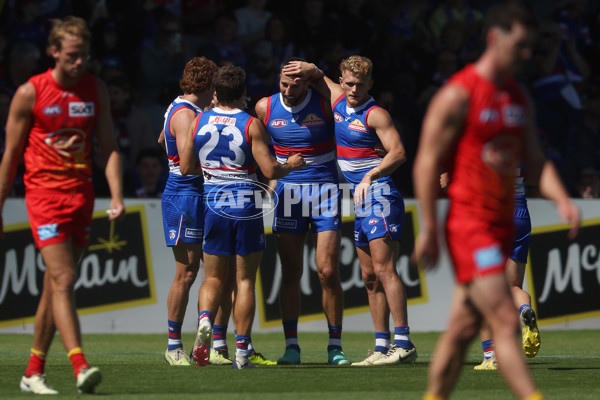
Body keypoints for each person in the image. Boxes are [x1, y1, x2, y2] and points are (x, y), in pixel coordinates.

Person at [413, 5, 580, 400]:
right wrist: (430, 228)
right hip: (471, 224)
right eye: (520, 46)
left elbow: (537, 161)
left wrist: (562, 200)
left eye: (530, 47)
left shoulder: (518, 96)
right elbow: (425, 161)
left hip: (507, 222)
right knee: (505, 315)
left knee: (462, 329)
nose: (526, 55)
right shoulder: (458, 93)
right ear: (494, 38)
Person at [0, 16, 124, 394]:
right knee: (66, 279)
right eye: (72, 55)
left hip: (81, 195)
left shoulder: (94, 88)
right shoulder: (30, 92)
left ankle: (32, 372)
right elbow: (10, 156)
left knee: (54, 287)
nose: (79, 62)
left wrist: (116, 194)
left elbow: (109, 146)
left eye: (84, 55)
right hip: (44, 197)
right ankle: (79, 364)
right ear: (54, 52)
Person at [282, 56, 418, 366]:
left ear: (371, 84)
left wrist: (371, 175)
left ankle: (403, 342)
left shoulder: (376, 114)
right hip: (359, 200)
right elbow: (317, 77)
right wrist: (303, 67)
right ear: (342, 82)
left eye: (361, 83)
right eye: (350, 83)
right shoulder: (339, 100)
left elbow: (398, 153)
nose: (355, 89)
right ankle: (381, 346)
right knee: (370, 277)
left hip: (380, 195)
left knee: (385, 271)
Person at [180, 65, 305, 369]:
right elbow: (270, 171)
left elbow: (185, 168)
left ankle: (205, 321)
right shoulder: (251, 124)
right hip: (245, 203)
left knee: (212, 278)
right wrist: (291, 164)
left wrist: (212, 171)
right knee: (245, 280)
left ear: (216, 92)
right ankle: (240, 354)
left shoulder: (199, 120)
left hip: (213, 202)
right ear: (243, 93)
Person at [255, 57, 348, 366]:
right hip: (288, 194)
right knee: (291, 271)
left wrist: (319, 73)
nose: (289, 89)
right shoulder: (264, 108)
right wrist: (270, 185)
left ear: (307, 83)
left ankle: (335, 345)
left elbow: (345, 98)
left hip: (324, 191)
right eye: (284, 83)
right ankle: (291, 345)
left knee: (327, 270)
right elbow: (264, 153)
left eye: (296, 83)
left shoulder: (323, 103)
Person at [159, 56, 235, 367]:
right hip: (184, 193)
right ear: (207, 84)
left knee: (220, 273)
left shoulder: (186, 110)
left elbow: (162, 139)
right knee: (187, 272)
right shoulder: (186, 114)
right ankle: (173, 345)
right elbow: (188, 165)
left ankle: (217, 344)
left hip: (201, 193)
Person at [440, 169, 541, 370]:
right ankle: (524, 308)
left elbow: (445, 181)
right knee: (512, 286)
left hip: (491, 215)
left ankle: (490, 356)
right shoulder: (518, 139)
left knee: (483, 287)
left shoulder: (475, 140)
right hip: (519, 212)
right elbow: (536, 174)